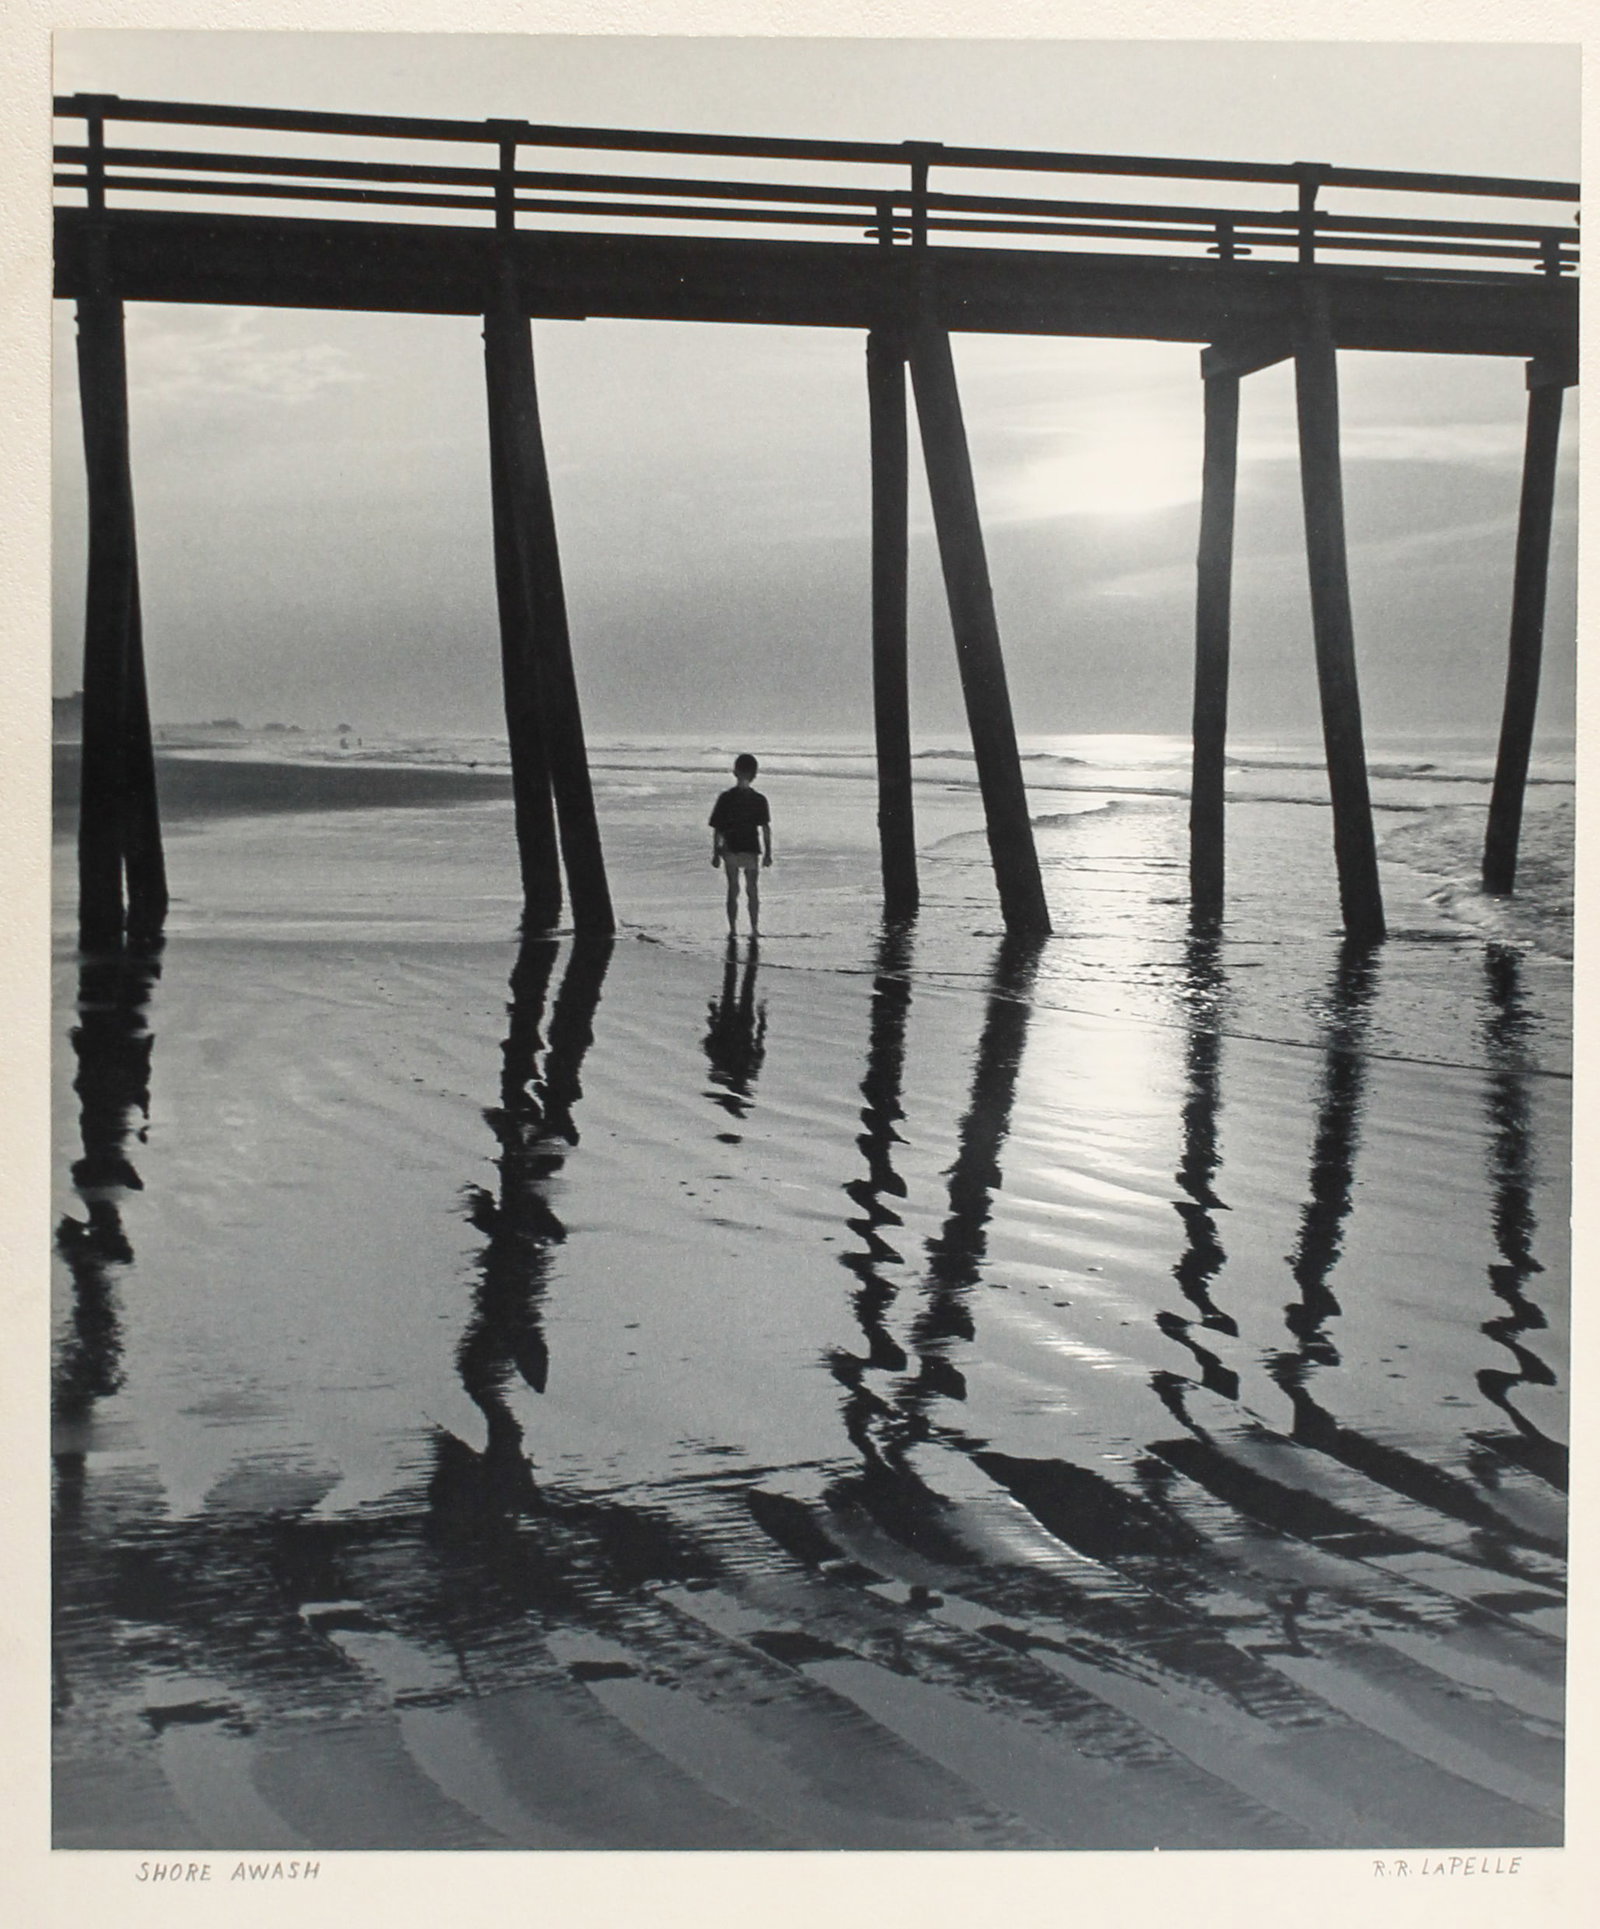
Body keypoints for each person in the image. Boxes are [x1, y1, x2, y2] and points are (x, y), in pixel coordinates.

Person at [709, 753, 772, 938]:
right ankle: (754, 929)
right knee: (752, 889)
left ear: (735, 772)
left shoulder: (726, 798)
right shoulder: (759, 799)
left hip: (731, 847)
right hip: (750, 847)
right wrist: (768, 853)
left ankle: (733, 929)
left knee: (733, 889)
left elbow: (718, 829)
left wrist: (715, 852)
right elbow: (765, 829)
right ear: (754, 775)